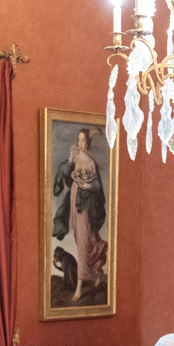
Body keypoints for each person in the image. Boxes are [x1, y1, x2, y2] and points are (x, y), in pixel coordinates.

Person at [52, 128, 108, 305]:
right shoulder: (75, 159)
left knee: (84, 243)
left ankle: (79, 288)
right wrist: (70, 159)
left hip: (86, 205)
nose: (81, 143)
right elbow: (66, 178)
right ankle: (97, 271)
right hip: (74, 205)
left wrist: (88, 187)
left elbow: (98, 187)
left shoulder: (91, 162)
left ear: (87, 143)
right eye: (79, 140)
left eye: (83, 140)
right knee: (83, 239)